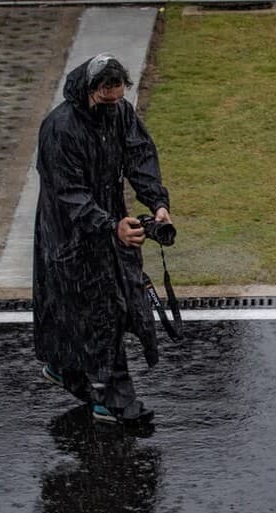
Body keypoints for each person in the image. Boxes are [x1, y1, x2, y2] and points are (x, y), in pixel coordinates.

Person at [33, 53, 172, 424]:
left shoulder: (121, 112)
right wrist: (111, 226)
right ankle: (114, 402)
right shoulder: (59, 128)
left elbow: (140, 156)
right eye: (106, 99)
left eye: (118, 97)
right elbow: (69, 193)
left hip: (110, 218)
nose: (113, 106)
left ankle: (66, 368)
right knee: (98, 309)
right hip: (68, 230)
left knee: (106, 305)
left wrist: (157, 203)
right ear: (90, 90)